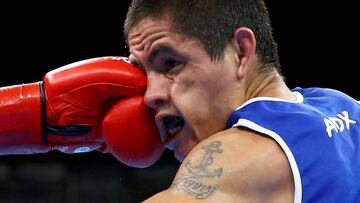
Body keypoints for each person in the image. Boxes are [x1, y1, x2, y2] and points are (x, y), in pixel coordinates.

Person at [123, 0, 360, 202]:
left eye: (171, 63)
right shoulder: (344, 106)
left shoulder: (243, 154)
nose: (150, 95)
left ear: (241, 52)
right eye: (144, 74)